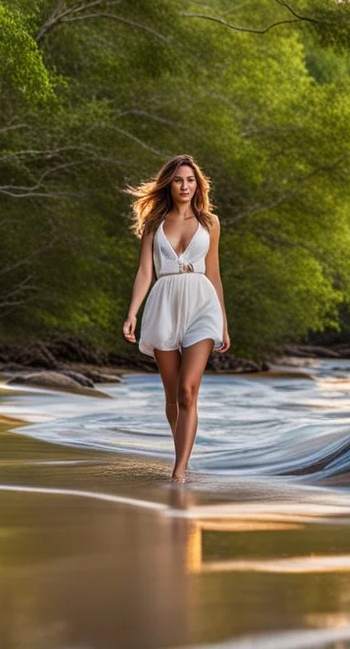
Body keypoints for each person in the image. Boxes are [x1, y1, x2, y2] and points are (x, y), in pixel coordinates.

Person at [122, 154, 229, 483]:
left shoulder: (210, 222)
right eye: (179, 180)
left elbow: (214, 273)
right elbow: (144, 272)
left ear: (198, 185)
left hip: (201, 305)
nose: (185, 186)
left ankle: (179, 470)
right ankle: (182, 450)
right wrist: (132, 313)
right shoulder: (154, 224)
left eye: (191, 180)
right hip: (164, 305)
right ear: (169, 183)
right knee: (172, 397)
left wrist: (223, 322)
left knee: (187, 390)